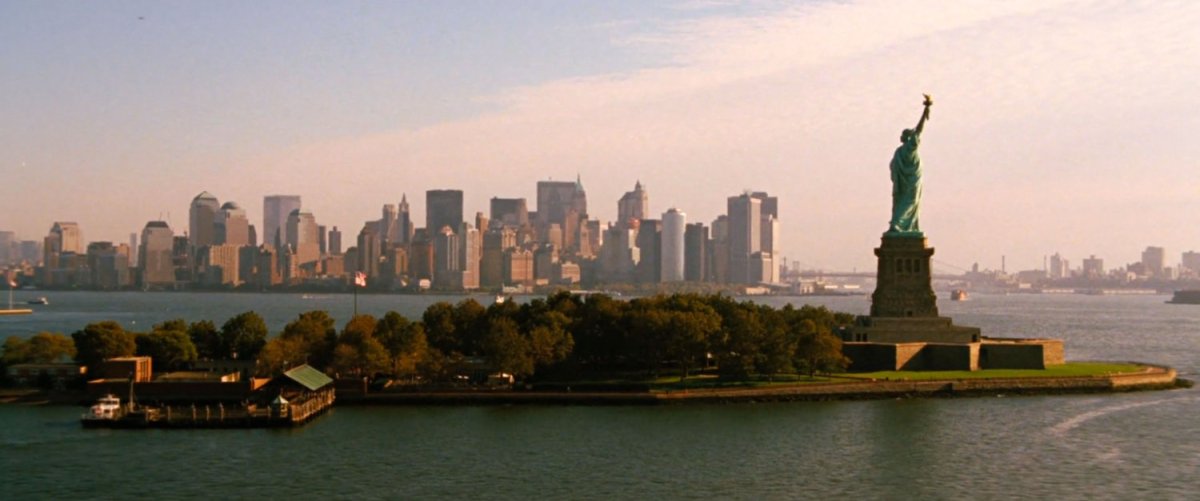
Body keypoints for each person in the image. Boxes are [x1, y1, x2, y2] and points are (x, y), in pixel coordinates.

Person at [888, 95, 932, 234]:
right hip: (911, 182)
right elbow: (918, 130)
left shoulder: (903, 150)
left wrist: (925, 111)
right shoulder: (906, 149)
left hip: (906, 183)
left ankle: (899, 224)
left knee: (905, 203)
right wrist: (925, 112)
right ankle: (898, 224)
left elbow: (918, 129)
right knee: (909, 203)